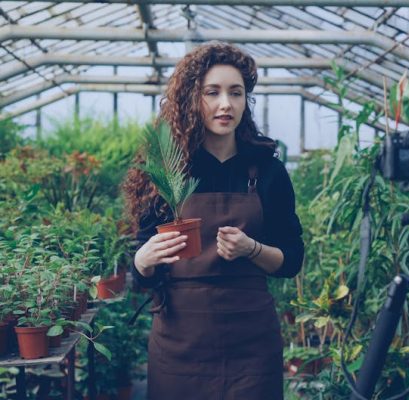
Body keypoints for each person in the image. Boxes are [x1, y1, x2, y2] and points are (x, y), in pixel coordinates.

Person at [123, 42, 304, 400]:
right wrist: (142, 262)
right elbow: (140, 274)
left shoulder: (268, 171)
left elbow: (292, 260)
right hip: (180, 342)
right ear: (193, 99)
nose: (226, 104)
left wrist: (251, 249)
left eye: (236, 93)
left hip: (251, 344)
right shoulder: (166, 169)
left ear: (245, 101)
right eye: (213, 92)